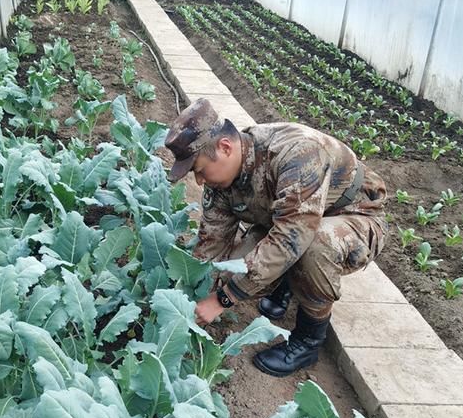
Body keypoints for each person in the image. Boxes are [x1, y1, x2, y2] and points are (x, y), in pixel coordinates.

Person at [164, 98, 388, 377]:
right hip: (293, 218)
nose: (199, 182)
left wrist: (222, 299)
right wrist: (193, 296)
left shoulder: (296, 153)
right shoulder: (219, 179)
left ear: (224, 147)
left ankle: (307, 342)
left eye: (198, 170)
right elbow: (212, 243)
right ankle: (286, 283)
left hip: (354, 217)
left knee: (314, 246)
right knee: (238, 266)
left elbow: (291, 239)